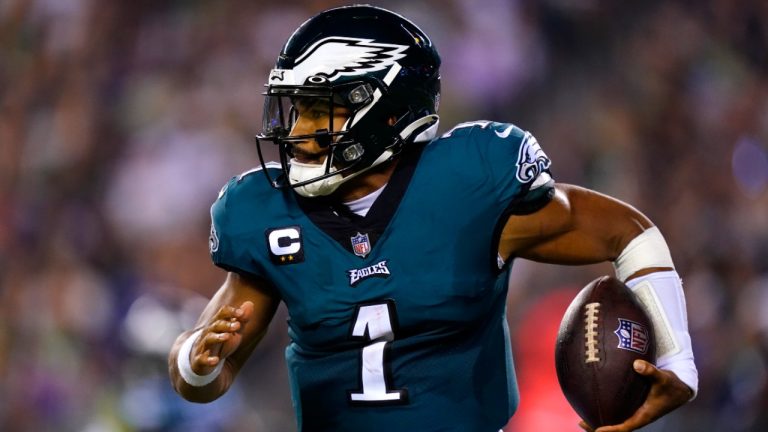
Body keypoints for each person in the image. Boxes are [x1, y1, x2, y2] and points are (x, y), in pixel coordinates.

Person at [167, 5, 697, 432]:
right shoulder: (267, 212)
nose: (298, 131)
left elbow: (629, 234)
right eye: (296, 109)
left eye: (319, 110)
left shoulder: (470, 185)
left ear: (388, 113)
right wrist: (198, 360)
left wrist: (676, 361)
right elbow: (208, 371)